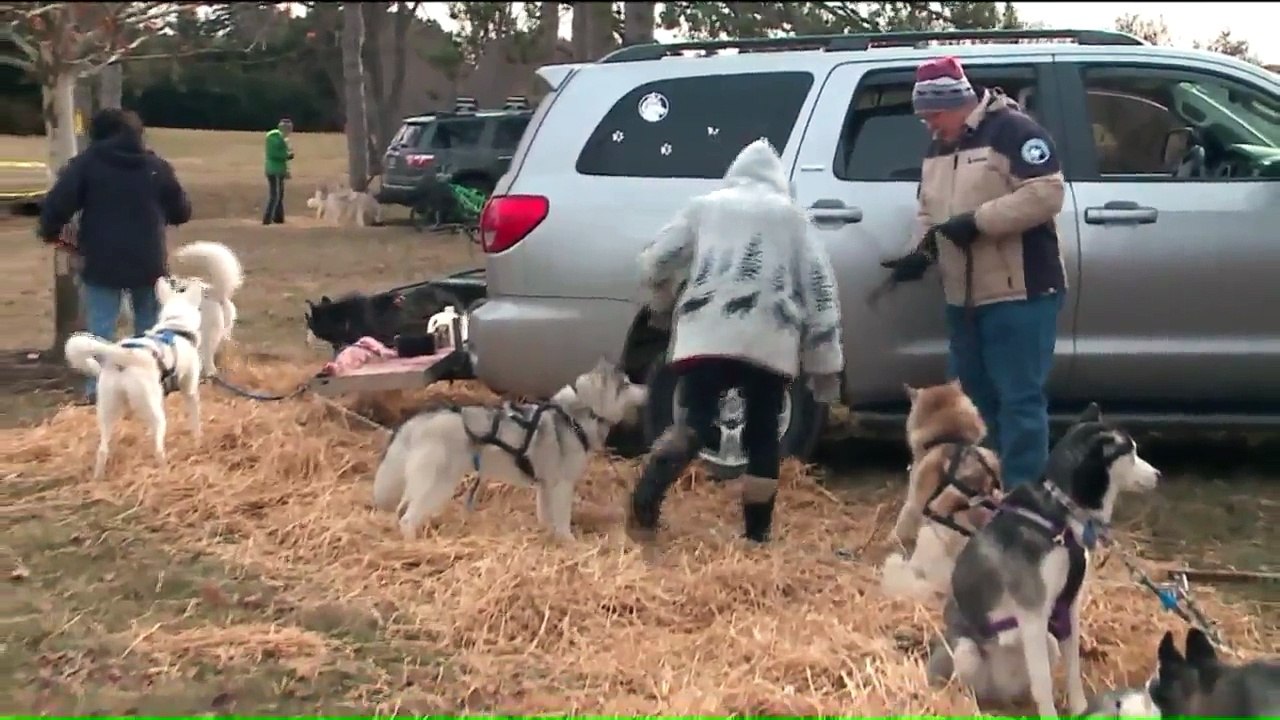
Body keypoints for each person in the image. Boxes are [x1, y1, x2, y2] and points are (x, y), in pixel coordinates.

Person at [625, 138, 844, 544]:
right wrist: (824, 364)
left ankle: (645, 503)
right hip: (768, 337)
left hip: (705, 334)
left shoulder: (703, 207)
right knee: (762, 433)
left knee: (692, 420)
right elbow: (820, 290)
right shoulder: (792, 219)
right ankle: (756, 535)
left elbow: (655, 261)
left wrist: (662, 303)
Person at [881, 56, 1067, 490]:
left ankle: (1022, 494)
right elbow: (929, 211)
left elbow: (1046, 193)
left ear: (958, 102)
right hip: (962, 295)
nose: (929, 125)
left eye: (933, 115)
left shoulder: (1014, 132)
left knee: (1019, 399)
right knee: (974, 400)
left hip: (1020, 292)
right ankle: (985, 487)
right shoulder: (939, 147)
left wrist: (979, 221)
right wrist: (921, 252)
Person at [37, 108, 192, 403]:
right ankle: (150, 384)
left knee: (100, 328)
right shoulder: (155, 166)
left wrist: (51, 232)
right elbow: (182, 211)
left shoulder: (86, 165)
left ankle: (99, 390)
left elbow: (56, 207)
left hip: (101, 258)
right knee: (150, 328)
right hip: (148, 258)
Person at [263, 118, 294, 225]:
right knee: (275, 195)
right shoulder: (274, 137)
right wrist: (287, 155)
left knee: (280, 194)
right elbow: (274, 154)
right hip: (273, 170)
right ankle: (267, 219)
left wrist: (287, 170)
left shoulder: (283, 140)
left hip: (280, 169)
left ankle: (278, 218)